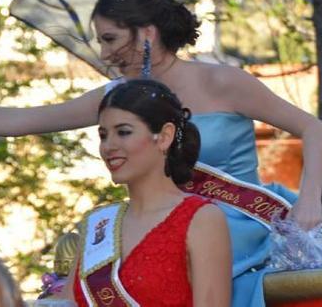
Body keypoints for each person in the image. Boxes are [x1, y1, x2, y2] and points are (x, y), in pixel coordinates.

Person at [0, 0, 322, 306]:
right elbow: (25, 119)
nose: (103, 54)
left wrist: (310, 199)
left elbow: (312, 128)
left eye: (111, 39)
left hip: (236, 229)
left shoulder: (223, 82)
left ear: (147, 33)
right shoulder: (119, 98)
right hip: (159, 221)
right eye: (101, 41)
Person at [54, 79, 230, 306]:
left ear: (165, 136)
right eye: (103, 135)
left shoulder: (202, 219)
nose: (108, 146)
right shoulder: (98, 225)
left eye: (123, 132)